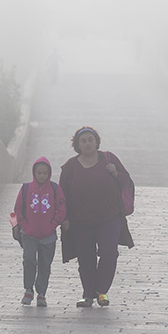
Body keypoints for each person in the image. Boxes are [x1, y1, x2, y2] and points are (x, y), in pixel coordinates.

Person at [59, 126, 134, 308]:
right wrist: (65, 218)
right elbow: (62, 195)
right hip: (80, 222)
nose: (87, 143)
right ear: (77, 144)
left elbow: (127, 181)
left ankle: (101, 291)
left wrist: (115, 173)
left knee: (109, 253)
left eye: (90, 140)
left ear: (96, 141)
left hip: (109, 219)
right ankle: (88, 295)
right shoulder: (70, 166)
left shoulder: (109, 159)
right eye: (83, 140)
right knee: (86, 259)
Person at [13, 156, 67, 307]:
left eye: (44, 173)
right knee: (29, 260)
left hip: (48, 236)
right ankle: (28, 289)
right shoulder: (26, 189)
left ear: (49, 173)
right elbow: (18, 209)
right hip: (29, 234)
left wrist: (53, 224)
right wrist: (24, 225)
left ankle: (41, 292)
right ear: (34, 173)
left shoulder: (55, 189)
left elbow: (61, 209)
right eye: (39, 172)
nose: (42, 175)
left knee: (45, 264)